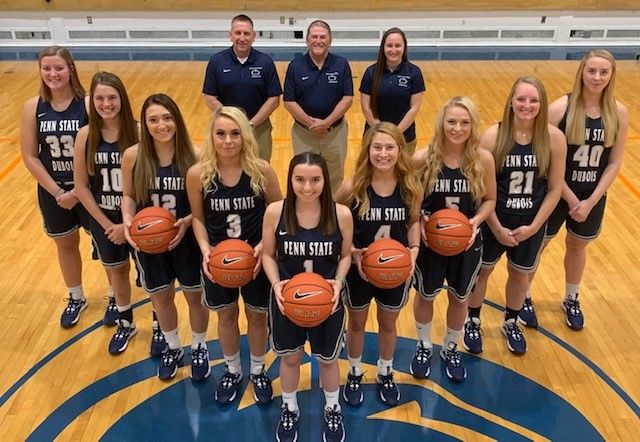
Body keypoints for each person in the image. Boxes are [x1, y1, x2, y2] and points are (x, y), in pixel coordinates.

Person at [522, 50, 629, 330]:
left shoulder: (618, 112)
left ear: (611, 75)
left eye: (603, 72)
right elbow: (545, 158)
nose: (596, 77)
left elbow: (615, 162)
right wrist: (569, 197)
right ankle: (524, 296)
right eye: (591, 71)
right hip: (557, 193)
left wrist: (591, 200)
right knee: (539, 245)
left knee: (577, 246)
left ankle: (571, 298)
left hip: (592, 197)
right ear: (581, 71)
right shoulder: (560, 109)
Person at [463, 76, 566, 355]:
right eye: (521, 99)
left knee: (520, 277)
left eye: (533, 100)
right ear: (511, 101)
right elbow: (481, 190)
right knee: (482, 272)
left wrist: (534, 227)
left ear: (542, 105)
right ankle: (472, 319)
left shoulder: (554, 139)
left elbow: (555, 189)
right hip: (495, 219)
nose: (527, 105)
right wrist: (495, 226)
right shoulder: (493, 137)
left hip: (530, 223)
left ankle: (511, 320)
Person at [187, 106, 282, 405]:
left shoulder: (261, 170)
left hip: (254, 260)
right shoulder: (198, 174)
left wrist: (262, 249)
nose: (228, 140)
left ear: (245, 136)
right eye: (220, 134)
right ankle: (232, 370)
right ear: (211, 137)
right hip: (218, 260)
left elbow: (278, 214)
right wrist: (204, 249)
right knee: (226, 317)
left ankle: (257, 369)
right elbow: (198, 218)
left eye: (234, 133)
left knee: (257, 318)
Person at [262, 152, 353, 442]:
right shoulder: (276, 212)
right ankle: (289, 408)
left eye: (315, 180)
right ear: (290, 180)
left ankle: (332, 407)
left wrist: (338, 283)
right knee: (290, 359)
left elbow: (347, 256)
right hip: (287, 302)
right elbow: (267, 255)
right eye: (300, 179)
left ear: (325, 181)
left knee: (327, 360)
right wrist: (276, 285)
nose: (307, 187)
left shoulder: (340, 214)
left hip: (328, 303)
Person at [122, 94, 209, 380]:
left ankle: (199, 346)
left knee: (196, 299)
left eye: (167, 118)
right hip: (150, 244)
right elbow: (128, 196)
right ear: (144, 125)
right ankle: (173, 346)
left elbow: (203, 205)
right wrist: (127, 222)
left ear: (177, 120)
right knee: (161, 300)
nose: (162, 125)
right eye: (154, 119)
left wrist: (184, 223)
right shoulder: (133, 156)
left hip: (185, 240)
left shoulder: (194, 156)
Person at [334, 122, 422, 406]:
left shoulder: (410, 186)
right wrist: (352, 251)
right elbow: (333, 222)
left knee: (388, 323)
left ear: (400, 150)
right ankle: (355, 371)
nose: (383, 154)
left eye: (389, 147)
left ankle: (385, 371)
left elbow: (413, 222)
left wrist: (414, 249)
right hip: (361, 271)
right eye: (377, 147)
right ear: (367, 150)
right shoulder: (353, 187)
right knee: (356, 323)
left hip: (395, 271)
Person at [410, 97, 496, 382]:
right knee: (425, 295)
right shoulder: (423, 159)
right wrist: (420, 216)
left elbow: (490, 200)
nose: (457, 128)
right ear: (441, 124)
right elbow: (409, 199)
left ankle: (450, 347)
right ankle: (423, 345)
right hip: (431, 244)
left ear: (472, 126)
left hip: (467, 244)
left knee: (460, 299)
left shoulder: (482, 159)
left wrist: (475, 222)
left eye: (464, 122)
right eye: (451, 122)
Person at [20, 46, 107, 328]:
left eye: (59, 68)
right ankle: (76, 296)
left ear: (71, 68)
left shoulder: (88, 102)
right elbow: (30, 155)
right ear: (40, 71)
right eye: (47, 68)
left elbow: (100, 148)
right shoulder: (33, 107)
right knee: (65, 244)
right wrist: (58, 192)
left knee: (106, 245)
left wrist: (79, 189)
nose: (53, 74)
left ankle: (117, 298)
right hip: (54, 192)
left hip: (90, 189)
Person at [73, 71, 141, 353]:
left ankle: (160, 326)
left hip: (137, 219)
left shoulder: (137, 132)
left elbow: (146, 184)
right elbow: (81, 186)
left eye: (112, 97)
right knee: (118, 272)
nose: (106, 103)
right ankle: (126, 324)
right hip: (104, 220)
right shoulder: (85, 135)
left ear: (122, 99)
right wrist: (105, 224)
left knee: (149, 277)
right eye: (99, 98)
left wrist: (128, 225)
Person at [283, 20, 353, 195]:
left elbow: (347, 98)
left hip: (335, 133)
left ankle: (333, 218)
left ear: (330, 40)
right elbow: (289, 101)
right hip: (304, 134)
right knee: (304, 178)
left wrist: (327, 123)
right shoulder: (295, 66)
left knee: (335, 179)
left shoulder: (341, 64)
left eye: (323, 37)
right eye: (314, 36)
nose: (318, 41)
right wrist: (311, 124)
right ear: (307, 40)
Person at [202, 14, 282, 161]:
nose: (242, 38)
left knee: (260, 172)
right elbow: (210, 98)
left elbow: (274, 100)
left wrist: (250, 125)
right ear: (230, 35)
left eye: (247, 33)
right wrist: (232, 121)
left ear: (254, 36)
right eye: (238, 33)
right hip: (227, 130)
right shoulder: (216, 61)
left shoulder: (265, 61)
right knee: (227, 169)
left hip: (258, 129)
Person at [360, 28, 425, 153]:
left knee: (403, 173)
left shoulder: (414, 73)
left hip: (405, 138)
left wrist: (394, 134)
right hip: (373, 136)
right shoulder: (370, 72)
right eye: (389, 45)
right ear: (383, 48)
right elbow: (366, 107)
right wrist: (380, 132)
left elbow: (414, 108)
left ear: (404, 47)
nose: (393, 50)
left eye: (398, 46)